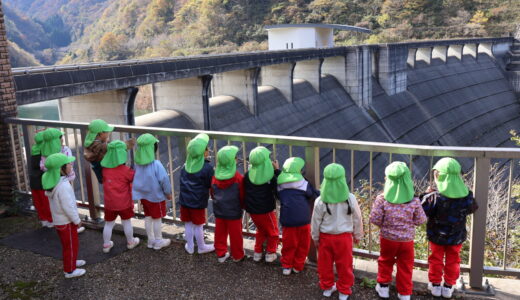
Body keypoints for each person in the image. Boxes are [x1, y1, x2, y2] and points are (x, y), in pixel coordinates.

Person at [421, 158, 478, 299]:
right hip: (456, 237)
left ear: (438, 176)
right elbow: (472, 208)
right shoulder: (466, 196)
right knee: (453, 260)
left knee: (435, 259)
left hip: (436, 236)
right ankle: (448, 286)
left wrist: (426, 193)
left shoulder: (434, 196)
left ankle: (435, 285)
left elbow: (422, 209)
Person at [370, 162, 427, 300]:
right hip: (407, 241)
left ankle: (383, 288)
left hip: (388, 238)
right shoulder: (414, 201)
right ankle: (405, 293)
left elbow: (375, 219)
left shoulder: (382, 199)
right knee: (406, 266)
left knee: (385, 261)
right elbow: (420, 220)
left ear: (387, 180)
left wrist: (385, 224)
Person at [311, 163, 363, 300]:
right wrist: (358, 235)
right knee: (345, 265)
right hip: (344, 238)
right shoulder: (350, 198)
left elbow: (315, 222)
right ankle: (344, 291)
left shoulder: (320, 200)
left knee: (324, 264)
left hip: (325, 238)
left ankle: (327, 287)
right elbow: (358, 218)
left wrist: (315, 238)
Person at [42, 153, 86, 279]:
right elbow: (68, 207)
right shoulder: (63, 186)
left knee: (69, 244)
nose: (71, 165)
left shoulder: (54, 183)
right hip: (66, 221)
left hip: (59, 221)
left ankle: (72, 261)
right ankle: (70, 270)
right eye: (68, 164)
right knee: (70, 245)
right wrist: (77, 220)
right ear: (61, 169)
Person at [277, 157, 319, 275]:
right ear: (299, 172)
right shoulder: (304, 184)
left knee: (288, 244)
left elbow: (279, 197)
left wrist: (277, 172)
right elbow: (312, 195)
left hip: (288, 220)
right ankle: (298, 265)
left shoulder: (280, 185)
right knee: (303, 244)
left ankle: (286, 265)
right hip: (304, 220)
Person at [132, 133, 172, 250]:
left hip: (144, 196)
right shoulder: (156, 164)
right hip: (156, 197)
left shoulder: (137, 165)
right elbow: (164, 180)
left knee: (148, 217)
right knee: (157, 218)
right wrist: (168, 192)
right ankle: (159, 240)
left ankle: (151, 240)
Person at [100, 140, 140, 253]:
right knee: (126, 222)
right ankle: (131, 242)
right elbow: (134, 179)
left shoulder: (105, 170)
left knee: (108, 224)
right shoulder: (126, 170)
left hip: (110, 203)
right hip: (124, 203)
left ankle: (106, 244)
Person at [179, 133, 215, 254]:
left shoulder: (185, 166)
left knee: (188, 224)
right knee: (199, 225)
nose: (208, 150)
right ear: (204, 153)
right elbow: (211, 185)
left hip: (184, 201)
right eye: (207, 149)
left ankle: (190, 246)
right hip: (198, 202)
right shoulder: (207, 168)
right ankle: (201, 247)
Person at [243, 146, 280, 263]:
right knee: (273, 231)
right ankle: (270, 253)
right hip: (266, 210)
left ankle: (257, 252)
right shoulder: (270, 177)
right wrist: (276, 170)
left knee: (261, 230)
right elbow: (278, 191)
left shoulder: (247, 175)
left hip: (252, 210)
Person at [211, 145, 245, 263]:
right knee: (236, 235)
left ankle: (220, 253)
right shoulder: (238, 178)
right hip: (234, 211)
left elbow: (212, 192)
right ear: (233, 161)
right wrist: (242, 206)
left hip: (219, 209)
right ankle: (237, 255)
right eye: (235, 157)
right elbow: (242, 195)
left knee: (220, 232)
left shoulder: (215, 177)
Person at [83, 119, 134, 183]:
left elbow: (98, 148)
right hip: (106, 173)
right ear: (101, 133)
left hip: (101, 172)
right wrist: (124, 145)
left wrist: (104, 140)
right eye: (107, 132)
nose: (109, 133)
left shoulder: (90, 142)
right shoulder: (101, 147)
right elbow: (109, 147)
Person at [29, 131, 53, 227]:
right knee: (46, 202)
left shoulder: (34, 149)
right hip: (41, 180)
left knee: (38, 202)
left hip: (33, 180)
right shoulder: (44, 150)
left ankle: (43, 220)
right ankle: (50, 220)